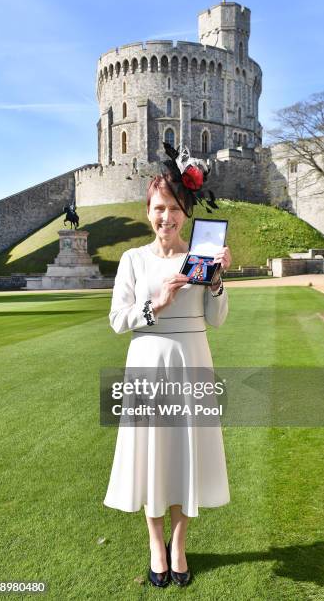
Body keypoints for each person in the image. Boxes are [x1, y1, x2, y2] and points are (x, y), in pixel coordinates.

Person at [103, 146, 232, 588]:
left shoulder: (201, 259)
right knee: (153, 454)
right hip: (147, 363)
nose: (166, 218)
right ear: (148, 211)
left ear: (186, 213)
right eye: (159, 208)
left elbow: (216, 320)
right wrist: (155, 305)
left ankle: (179, 544)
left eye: (175, 209)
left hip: (192, 361)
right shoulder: (133, 261)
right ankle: (156, 543)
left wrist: (216, 283)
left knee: (185, 454)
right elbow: (119, 320)